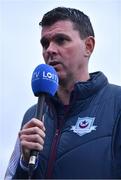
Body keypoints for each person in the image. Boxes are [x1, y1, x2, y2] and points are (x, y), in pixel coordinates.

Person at [5, 7, 121, 179]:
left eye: (61, 40)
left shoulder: (116, 103)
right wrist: (24, 162)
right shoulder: (32, 116)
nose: (49, 50)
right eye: (45, 43)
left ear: (88, 46)